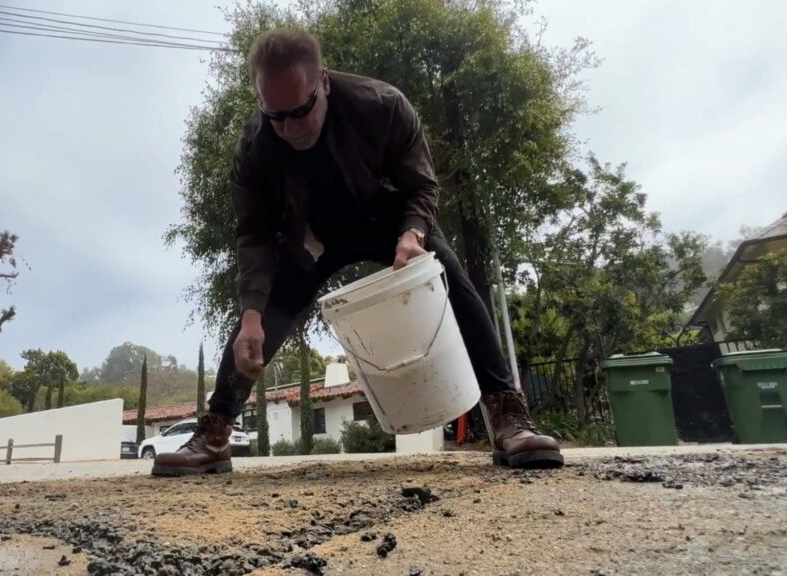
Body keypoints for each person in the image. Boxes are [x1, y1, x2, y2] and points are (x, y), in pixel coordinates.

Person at [151, 28, 563, 476]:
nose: (289, 128)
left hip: (390, 222)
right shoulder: (255, 147)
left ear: (323, 82)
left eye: (301, 110)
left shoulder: (383, 106)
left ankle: (509, 417)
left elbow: (423, 186)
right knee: (259, 317)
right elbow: (253, 235)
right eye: (275, 116)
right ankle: (214, 433)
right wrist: (250, 314)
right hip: (311, 239)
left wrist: (413, 235)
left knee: (452, 279)